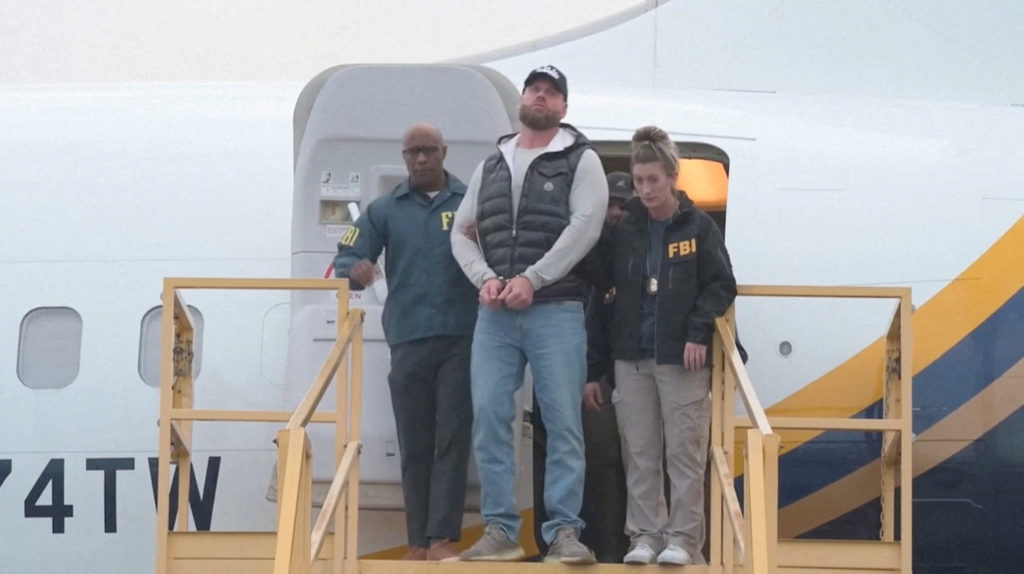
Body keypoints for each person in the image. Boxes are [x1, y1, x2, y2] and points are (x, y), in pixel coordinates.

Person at [450, 65, 608, 564]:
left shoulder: (581, 160)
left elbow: (585, 226)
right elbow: (460, 232)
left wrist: (532, 278)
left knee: (561, 420)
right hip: (495, 314)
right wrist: (486, 279)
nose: (541, 97)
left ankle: (563, 532)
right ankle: (500, 530)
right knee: (491, 416)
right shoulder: (491, 164)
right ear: (522, 97)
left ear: (564, 108)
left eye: (552, 93)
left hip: (556, 308)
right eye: (534, 89)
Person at [333, 122, 477, 562]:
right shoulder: (384, 210)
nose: (420, 159)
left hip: (461, 336)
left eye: (428, 151)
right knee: (414, 442)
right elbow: (346, 255)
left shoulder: (471, 202)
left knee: (452, 438)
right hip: (409, 338)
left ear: (444, 152)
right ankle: (417, 540)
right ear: (404, 157)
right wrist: (356, 267)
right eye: (412, 152)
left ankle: (442, 539)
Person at [604, 126, 737, 566]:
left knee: (684, 450)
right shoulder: (626, 230)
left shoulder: (697, 227)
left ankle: (683, 537)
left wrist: (699, 331)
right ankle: (644, 534)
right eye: (639, 181)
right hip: (633, 355)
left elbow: (721, 284)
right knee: (639, 450)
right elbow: (602, 280)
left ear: (672, 177)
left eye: (653, 180)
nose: (644, 190)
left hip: (681, 355)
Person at [532, 171, 632, 563]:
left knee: (615, 464)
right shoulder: (584, 256)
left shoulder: (629, 255)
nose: (617, 213)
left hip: (611, 373)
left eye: (624, 205)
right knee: (586, 462)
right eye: (611, 205)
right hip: (584, 373)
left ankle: (613, 549)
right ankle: (587, 547)